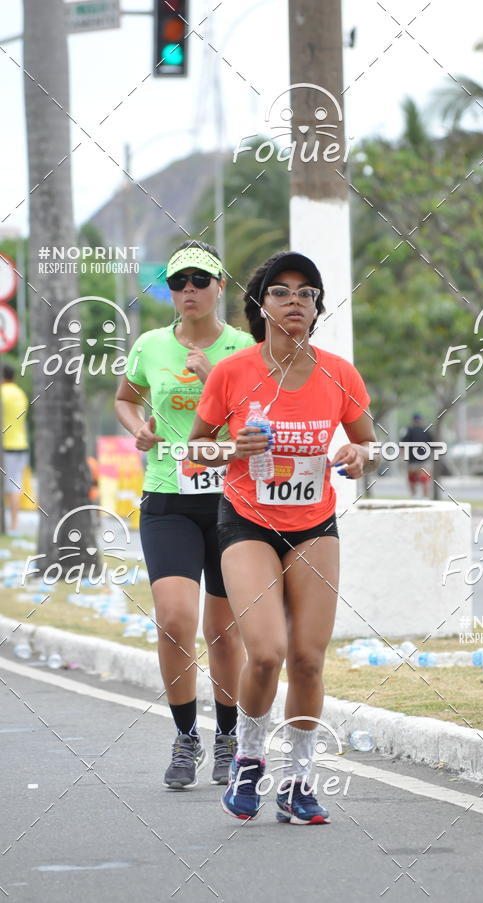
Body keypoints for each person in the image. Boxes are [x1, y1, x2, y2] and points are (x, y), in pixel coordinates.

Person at [189, 251, 377, 824]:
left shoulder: (338, 373)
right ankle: (248, 758)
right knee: (267, 653)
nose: (296, 300)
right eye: (282, 291)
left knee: (309, 660)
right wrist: (230, 449)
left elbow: (367, 444)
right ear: (261, 305)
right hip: (246, 521)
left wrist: (356, 454)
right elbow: (194, 453)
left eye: (307, 292)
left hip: (315, 525)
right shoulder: (233, 373)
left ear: (317, 308)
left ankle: (298, 782)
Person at [115, 240, 254, 789]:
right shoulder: (151, 345)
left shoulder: (245, 346)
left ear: (221, 285)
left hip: (232, 503)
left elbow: (256, 419)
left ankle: (226, 736)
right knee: (174, 620)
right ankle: (184, 736)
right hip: (168, 497)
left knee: (223, 630)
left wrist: (208, 376)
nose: (189, 291)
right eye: (179, 283)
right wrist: (138, 429)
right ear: (169, 292)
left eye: (200, 280)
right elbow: (126, 398)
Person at [1, 364, 29, 535]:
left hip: (6, 446)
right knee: (15, 486)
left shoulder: (2, 393)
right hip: (21, 445)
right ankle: (14, 525)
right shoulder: (21, 394)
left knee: (8, 487)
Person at [401, 413, 435, 498]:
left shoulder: (409, 430)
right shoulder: (426, 430)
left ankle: (414, 496)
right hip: (424, 460)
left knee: (412, 480)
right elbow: (433, 444)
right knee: (425, 480)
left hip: (412, 460)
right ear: (421, 420)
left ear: (413, 420)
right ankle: (425, 498)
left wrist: (403, 456)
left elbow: (403, 445)